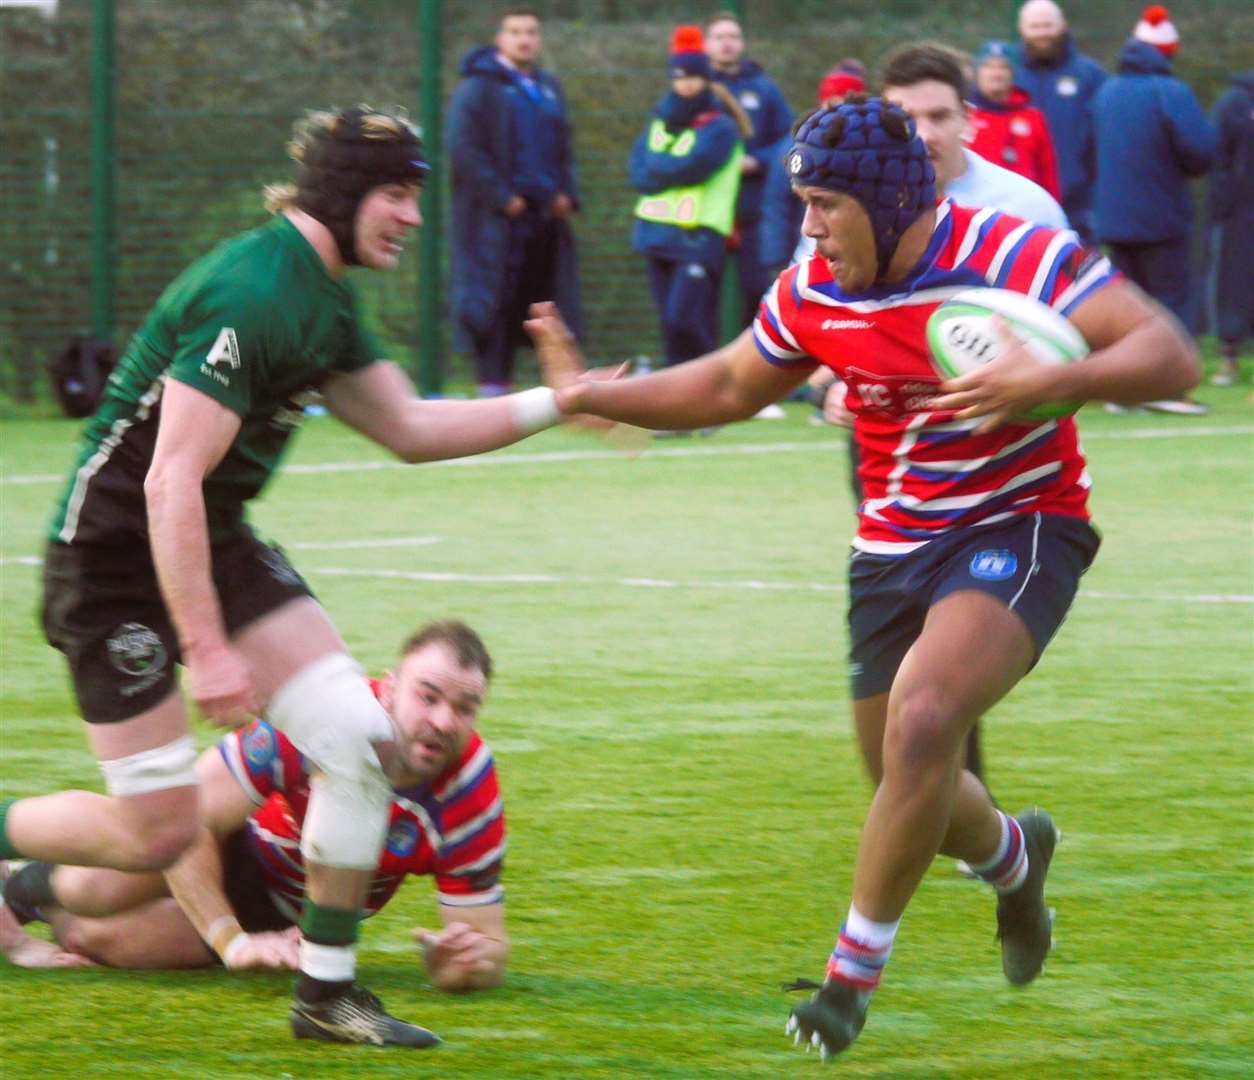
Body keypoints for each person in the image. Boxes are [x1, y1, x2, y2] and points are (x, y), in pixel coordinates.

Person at [525, 95, 1198, 1060]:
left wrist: (1051, 381)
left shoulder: (1015, 254)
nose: (807, 224)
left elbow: (1168, 354)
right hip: (890, 546)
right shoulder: (815, 288)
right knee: (902, 771)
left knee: (925, 721)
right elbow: (723, 384)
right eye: (804, 201)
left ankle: (848, 981)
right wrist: (589, 393)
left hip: (1024, 521)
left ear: (888, 204)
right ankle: (1015, 857)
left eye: (826, 204)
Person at [0, 105, 570, 1048]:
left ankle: (326, 995)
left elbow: (410, 430)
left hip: (211, 536)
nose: (414, 217)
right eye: (396, 195)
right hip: (110, 560)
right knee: (153, 834)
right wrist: (210, 650)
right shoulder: (254, 290)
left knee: (359, 737)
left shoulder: (327, 297)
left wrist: (563, 401)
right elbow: (168, 477)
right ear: (344, 196)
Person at [2, 621, 507, 992]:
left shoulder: (470, 788)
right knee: (97, 885)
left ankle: (35, 897)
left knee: (95, 937)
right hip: (231, 841)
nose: (444, 721)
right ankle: (16, 884)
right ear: (391, 687)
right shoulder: (324, 719)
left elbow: (488, 946)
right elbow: (188, 817)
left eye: (464, 708)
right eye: (429, 697)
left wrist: (460, 967)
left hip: (280, 910)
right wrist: (230, 941)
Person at [448, 6, 583, 397]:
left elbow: (565, 148)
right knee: (495, 304)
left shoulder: (548, 87)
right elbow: (464, 150)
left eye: (531, 32)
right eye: (515, 31)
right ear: (500, 39)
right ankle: (492, 386)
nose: (524, 39)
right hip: (497, 221)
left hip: (546, 218)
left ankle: (559, 389)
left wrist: (567, 194)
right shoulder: (477, 88)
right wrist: (503, 198)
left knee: (547, 304)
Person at [1090, 7, 1216, 415]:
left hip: (1111, 218)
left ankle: (1123, 392)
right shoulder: (1170, 91)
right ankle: (1169, 389)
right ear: (1167, 52)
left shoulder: (1106, 91)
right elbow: (1201, 151)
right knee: (1171, 300)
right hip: (1161, 218)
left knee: (1127, 306)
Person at [631, 26, 751, 372]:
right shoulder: (659, 120)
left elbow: (692, 167)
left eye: (693, 76)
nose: (685, 83)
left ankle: (721, 383)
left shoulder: (721, 126)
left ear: (706, 78)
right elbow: (636, 171)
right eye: (679, 76)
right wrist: (662, 169)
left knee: (685, 319)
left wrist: (658, 168)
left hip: (698, 236)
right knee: (670, 326)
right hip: (656, 235)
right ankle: (679, 405)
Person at [704, 10, 795, 327]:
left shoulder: (763, 88)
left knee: (758, 290)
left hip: (752, 207)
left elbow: (789, 140)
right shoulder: (693, 90)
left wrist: (756, 160)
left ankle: (751, 363)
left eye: (733, 36)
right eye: (720, 37)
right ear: (706, 45)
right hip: (703, 211)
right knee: (700, 299)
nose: (727, 43)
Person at [1012, 0, 1106, 242]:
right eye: (1035, 26)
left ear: (1062, 26)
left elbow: (1107, 141)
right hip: (1015, 205)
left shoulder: (1091, 76)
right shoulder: (1006, 74)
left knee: (1076, 276)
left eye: (1048, 25)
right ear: (1022, 29)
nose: (1042, 33)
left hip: (1077, 207)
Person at [761, 61, 866, 278]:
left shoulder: (871, 146)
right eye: (831, 104)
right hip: (802, 254)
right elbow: (777, 203)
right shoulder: (796, 145)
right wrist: (775, 259)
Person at [967, 40, 1062, 201]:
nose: (996, 73)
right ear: (977, 72)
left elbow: (1047, 171)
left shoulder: (1032, 116)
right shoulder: (964, 114)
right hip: (974, 209)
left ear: (1013, 73)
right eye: (988, 66)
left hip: (1023, 208)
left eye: (1003, 67)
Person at [1208, 69, 1254, 385]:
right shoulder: (1234, 102)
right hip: (1241, 213)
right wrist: (1224, 204)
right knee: (1235, 282)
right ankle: (1229, 358)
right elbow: (1217, 158)